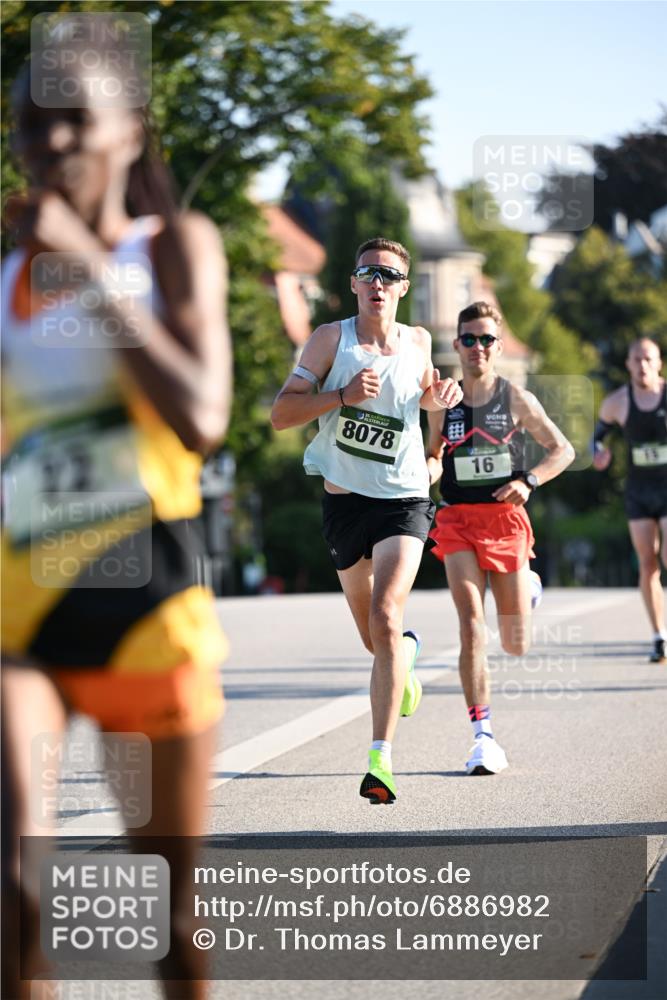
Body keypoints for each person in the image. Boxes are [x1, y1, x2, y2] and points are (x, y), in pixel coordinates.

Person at [1, 39, 232, 1000]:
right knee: (14, 890)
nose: (51, 140)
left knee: (171, 927)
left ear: (128, 133)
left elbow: (204, 417)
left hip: (147, 604)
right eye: (28, 121)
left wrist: (90, 269)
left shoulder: (171, 247)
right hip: (21, 618)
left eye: (74, 120)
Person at [271, 237, 463, 804]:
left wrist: (437, 423)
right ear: (354, 284)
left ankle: (380, 760)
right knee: (375, 638)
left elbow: (425, 401)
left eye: (388, 275)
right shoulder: (332, 339)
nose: (377, 283)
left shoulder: (419, 341)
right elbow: (282, 413)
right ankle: (404, 655)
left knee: (386, 609)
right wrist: (342, 396)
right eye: (367, 273)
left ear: (403, 287)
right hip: (344, 503)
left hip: (404, 499)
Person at [426, 302, 574, 775]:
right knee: (471, 625)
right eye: (468, 339)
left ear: (499, 345)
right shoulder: (441, 401)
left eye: (486, 339)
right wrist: (419, 477)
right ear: (456, 346)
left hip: (504, 522)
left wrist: (529, 481)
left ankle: (528, 591)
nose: (477, 348)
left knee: (515, 644)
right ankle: (483, 737)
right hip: (456, 523)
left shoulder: (516, 399)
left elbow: (562, 449)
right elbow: (432, 457)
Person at [593, 338, 667, 663]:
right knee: (648, 562)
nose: (643, 365)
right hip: (638, 491)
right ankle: (659, 636)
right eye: (636, 359)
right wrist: (599, 454)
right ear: (628, 364)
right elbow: (596, 440)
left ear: (659, 362)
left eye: (648, 359)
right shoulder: (617, 403)